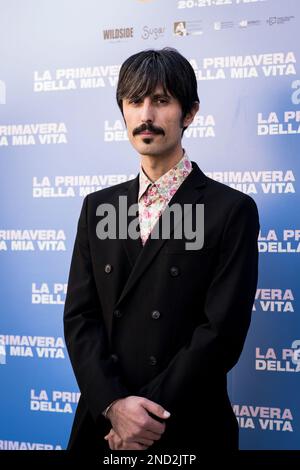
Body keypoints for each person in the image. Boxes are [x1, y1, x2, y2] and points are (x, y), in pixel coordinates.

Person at [63, 48, 260, 453]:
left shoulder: (230, 210)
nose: (146, 115)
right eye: (134, 101)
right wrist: (114, 405)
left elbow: (221, 333)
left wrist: (143, 416)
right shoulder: (99, 207)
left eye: (161, 100)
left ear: (189, 113)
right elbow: (80, 318)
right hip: (103, 424)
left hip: (184, 422)